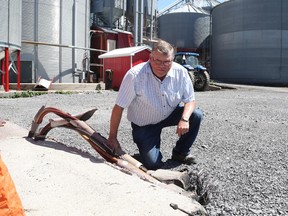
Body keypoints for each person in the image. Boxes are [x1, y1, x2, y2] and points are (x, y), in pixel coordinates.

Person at [107, 39, 203, 170]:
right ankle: (149, 151)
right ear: (150, 58)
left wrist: (184, 119)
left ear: (172, 59)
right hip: (145, 124)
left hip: (168, 114)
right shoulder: (135, 75)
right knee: (153, 164)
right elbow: (119, 107)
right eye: (158, 61)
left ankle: (180, 153)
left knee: (196, 115)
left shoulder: (180, 72)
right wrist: (112, 137)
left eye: (167, 62)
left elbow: (190, 100)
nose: (162, 65)